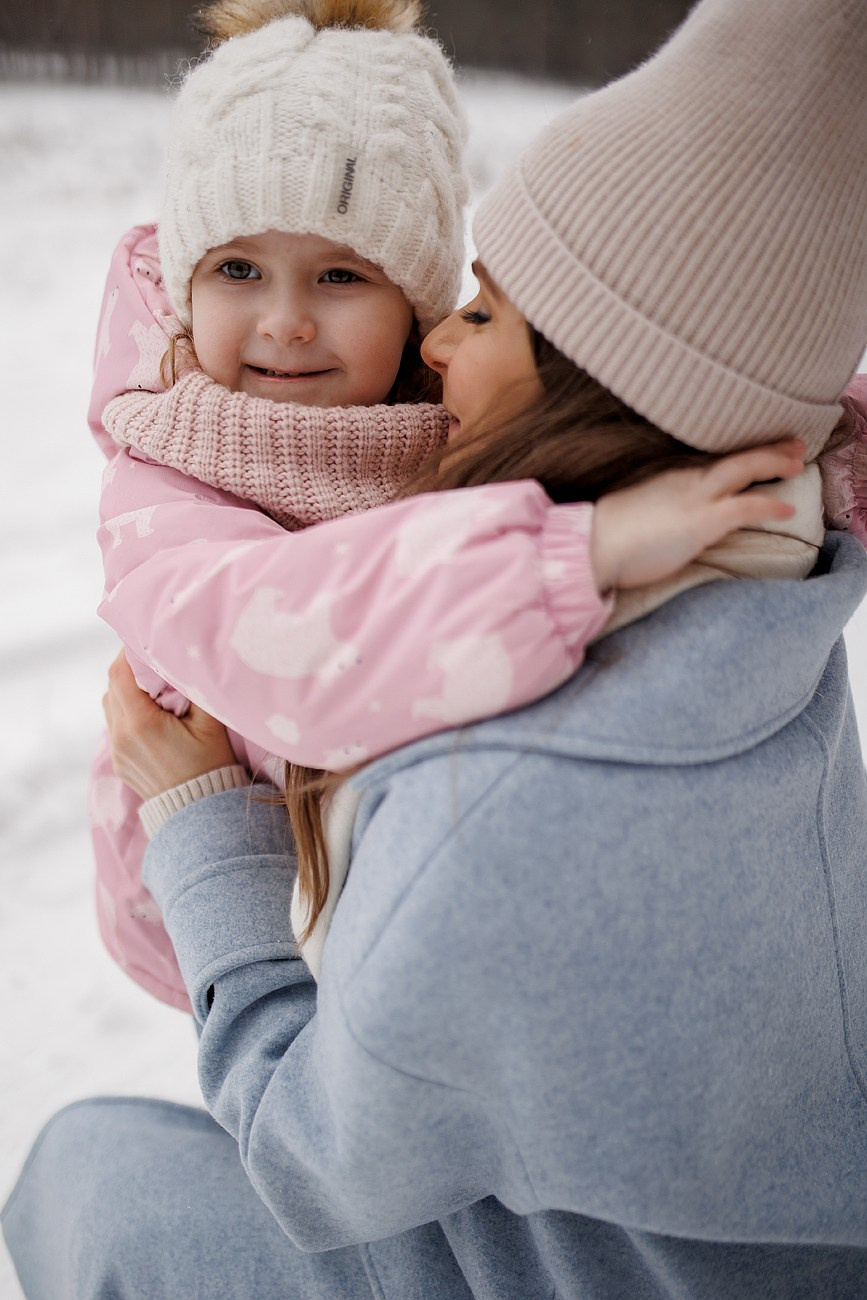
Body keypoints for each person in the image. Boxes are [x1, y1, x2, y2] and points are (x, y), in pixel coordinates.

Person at [6, 0, 867, 1296]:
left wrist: (202, 822)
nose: (435, 346)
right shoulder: (744, 561)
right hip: (253, 932)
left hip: (405, 1140)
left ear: (603, 389)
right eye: (234, 269)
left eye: (475, 309)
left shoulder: (502, 814)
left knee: (85, 1180)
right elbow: (285, 616)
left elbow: (310, 1160)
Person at [88, 0, 808, 1004]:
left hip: (396, 912)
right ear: (186, 280)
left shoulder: (445, 411)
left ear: (416, 306)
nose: (287, 322)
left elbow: (646, 391)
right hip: (227, 915)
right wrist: (577, 553)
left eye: (340, 274)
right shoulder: (164, 479)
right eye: (239, 269)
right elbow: (288, 629)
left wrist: (815, 443)